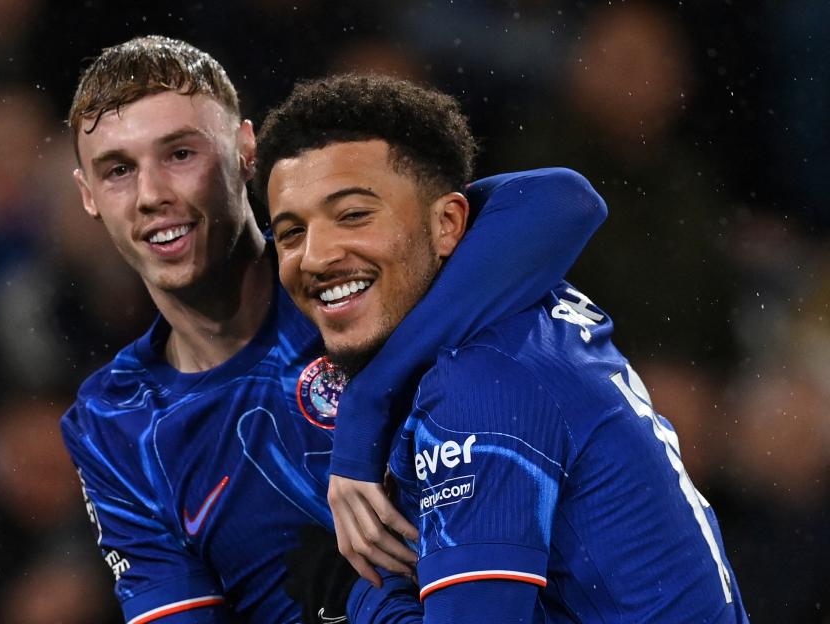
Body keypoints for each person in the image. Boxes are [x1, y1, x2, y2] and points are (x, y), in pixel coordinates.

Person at [60, 35, 607, 623]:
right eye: (118, 170)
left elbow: (562, 201)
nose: (151, 195)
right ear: (88, 195)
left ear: (247, 151)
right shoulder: (113, 425)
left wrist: (365, 411)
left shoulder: (361, 277)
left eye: (180, 154)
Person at [258, 73, 749, 622]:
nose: (317, 256)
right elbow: (553, 196)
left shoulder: (478, 382)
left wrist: (352, 595)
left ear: (449, 224)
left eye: (353, 214)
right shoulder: (520, 299)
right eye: (292, 232)